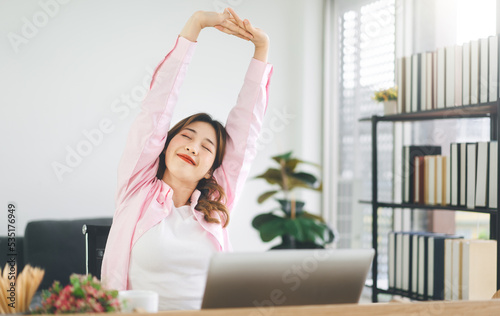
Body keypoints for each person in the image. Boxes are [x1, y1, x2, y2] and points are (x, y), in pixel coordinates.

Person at [101, 8, 273, 311]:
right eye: (187, 136)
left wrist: (262, 49)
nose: (194, 147)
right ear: (164, 146)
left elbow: (246, 133)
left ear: (212, 169)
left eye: (207, 147)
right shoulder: (136, 190)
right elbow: (157, 107)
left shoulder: (216, 205)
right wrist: (195, 25)